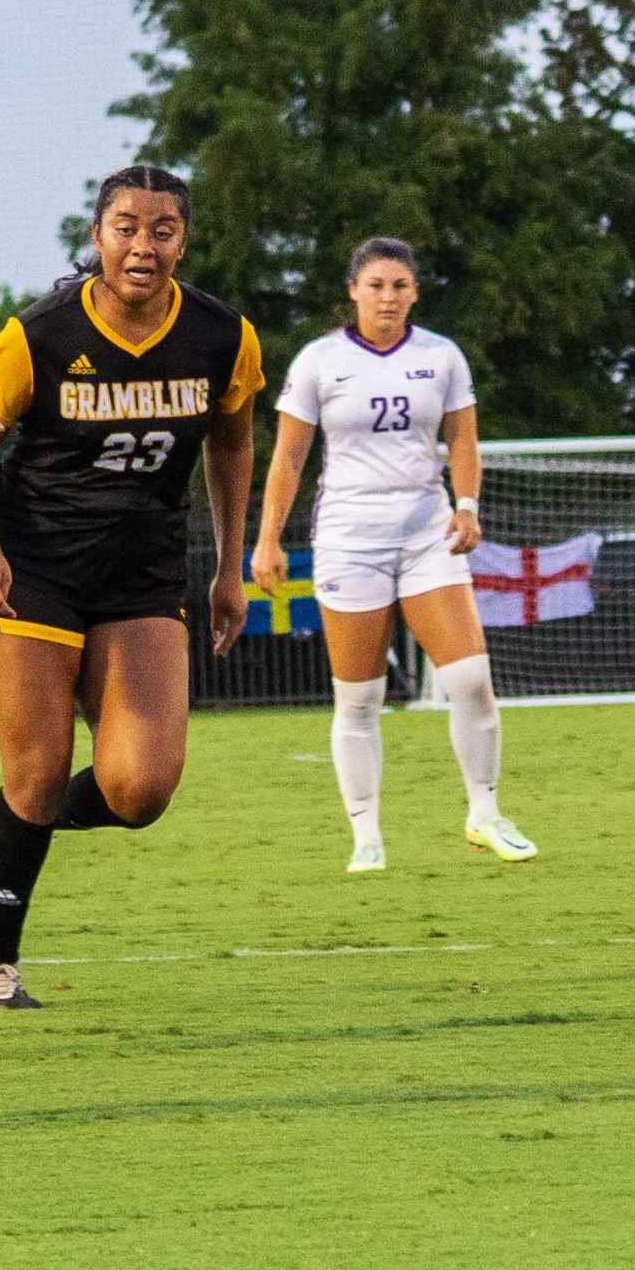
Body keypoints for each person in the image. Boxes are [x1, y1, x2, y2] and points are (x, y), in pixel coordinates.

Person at [0, 165, 261, 1012]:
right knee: (38, 773)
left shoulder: (222, 335)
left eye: (162, 230)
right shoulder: (38, 335)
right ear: (97, 237)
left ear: (183, 241)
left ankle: (23, 818)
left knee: (140, 789)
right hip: (30, 572)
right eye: (126, 226)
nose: (143, 245)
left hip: (142, 576)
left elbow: (231, 442)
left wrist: (230, 566)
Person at [251, 236, 536, 872]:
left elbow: (462, 438)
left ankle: (485, 814)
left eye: (400, 286)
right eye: (376, 285)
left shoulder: (441, 356)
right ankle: (367, 836)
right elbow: (289, 456)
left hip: (426, 535)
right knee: (358, 698)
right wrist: (268, 539)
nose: (388, 297)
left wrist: (467, 505)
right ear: (353, 290)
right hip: (349, 541)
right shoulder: (319, 361)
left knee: (470, 680)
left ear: (414, 292)